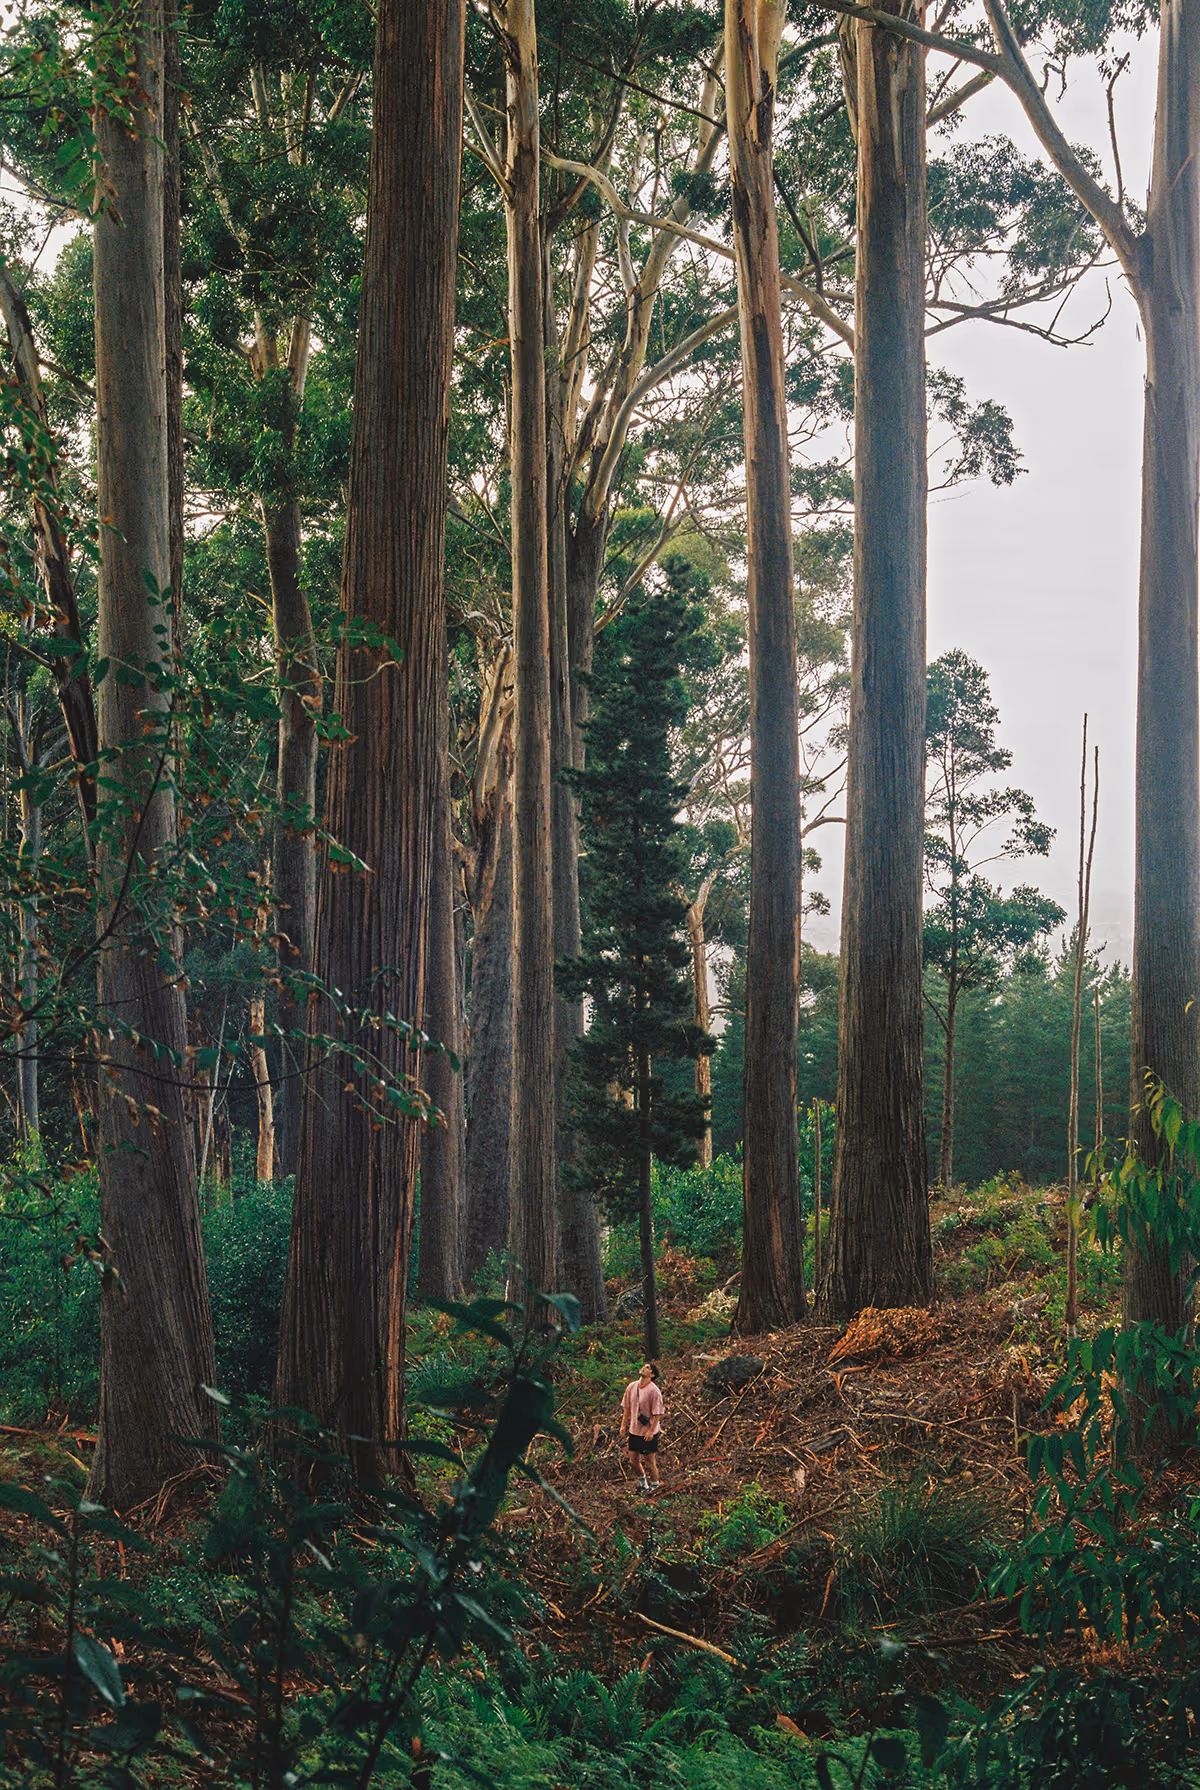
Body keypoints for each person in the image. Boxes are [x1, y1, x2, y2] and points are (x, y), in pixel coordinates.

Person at [619, 1361, 664, 1494]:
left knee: (650, 1461)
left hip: (648, 1432)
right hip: (634, 1431)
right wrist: (623, 1425)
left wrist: (651, 1431)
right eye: (644, 1366)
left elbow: (658, 1413)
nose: (644, 1368)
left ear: (652, 1374)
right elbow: (627, 1408)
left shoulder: (654, 1391)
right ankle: (643, 1483)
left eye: (648, 1368)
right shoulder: (631, 1387)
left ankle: (655, 1487)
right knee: (633, 1461)